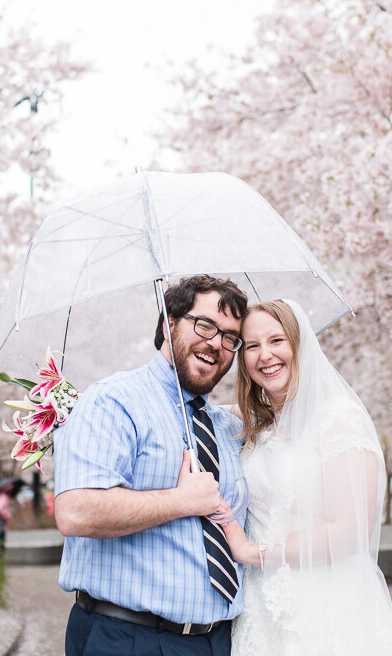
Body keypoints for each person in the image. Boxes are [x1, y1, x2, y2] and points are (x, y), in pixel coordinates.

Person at [53, 275, 249, 656]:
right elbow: (75, 512)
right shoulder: (114, 402)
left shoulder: (224, 426)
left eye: (230, 337)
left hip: (219, 641)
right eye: (204, 324)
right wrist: (182, 500)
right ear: (168, 323)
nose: (215, 344)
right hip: (129, 638)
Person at [220, 299, 392, 655]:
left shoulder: (338, 420)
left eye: (277, 341)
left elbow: (349, 533)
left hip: (326, 606)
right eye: (252, 346)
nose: (265, 356)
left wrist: (251, 552)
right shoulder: (256, 426)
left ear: (300, 343)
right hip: (261, 610)